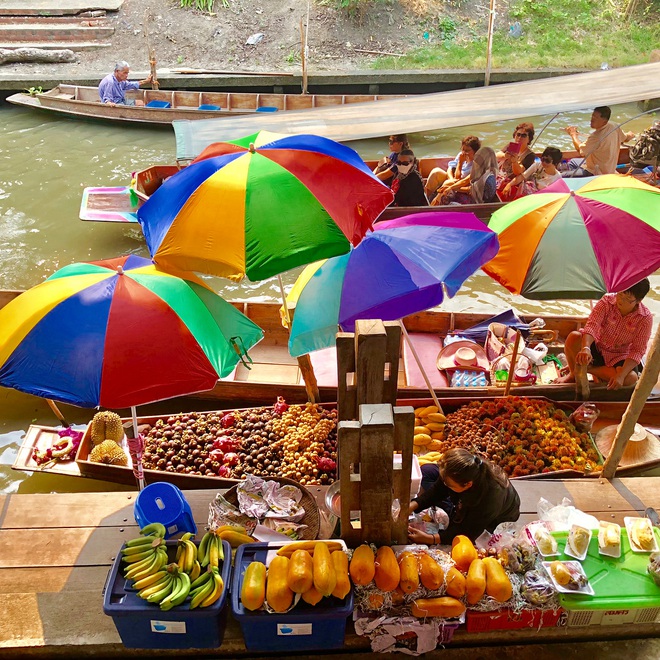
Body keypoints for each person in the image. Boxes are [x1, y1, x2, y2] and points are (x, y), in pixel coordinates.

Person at [408, 448, 520, 544]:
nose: (444, 484)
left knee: (460, 533)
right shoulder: (466, 470)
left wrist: (430, 539)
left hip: (496, 520)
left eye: (448, 484)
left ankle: (453, 514)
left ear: (467, 484)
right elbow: (438, 490)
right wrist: (414, 505)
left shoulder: (489, 499)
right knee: (427, 471)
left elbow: (467, 532)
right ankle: (452, 511)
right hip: (467, 499)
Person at [555, 278, 652, 390]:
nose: (621, 300)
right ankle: (573, 374)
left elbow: (637, 350)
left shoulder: (645, 318)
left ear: (638, 301)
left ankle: (585, 369)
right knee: (574, 337)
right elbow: (592, 325)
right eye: (620, 294)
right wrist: (586, 348)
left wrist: (620, 375)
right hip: (597, 345)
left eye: (628, 299)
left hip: (619, 354)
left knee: (630, 378)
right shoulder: (607, 301)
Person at [564, 106, 635, 176]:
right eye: (592, 116)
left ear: (604, 122)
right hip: (609, 168)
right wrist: (630, 135)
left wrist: (573, 134)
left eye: (596, 118)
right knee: (572, 162)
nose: (592, 120)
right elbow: (625, 138)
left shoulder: (596, 136)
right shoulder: (613, 126)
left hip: (596, 172)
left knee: (564, 175)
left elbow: (580, 150)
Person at [425, 135, 481, 201]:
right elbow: (450, 168)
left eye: (467, 150)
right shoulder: (461, 155)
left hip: (462, 185)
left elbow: (460, 179)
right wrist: (451, 178)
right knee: (436, 172)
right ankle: (426, 198)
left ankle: (433, 205)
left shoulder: (477, 164)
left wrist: (460, 163)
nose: (464, 153)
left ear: (475, 151)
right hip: (454, 180)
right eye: (463, 149)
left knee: (448, 183)